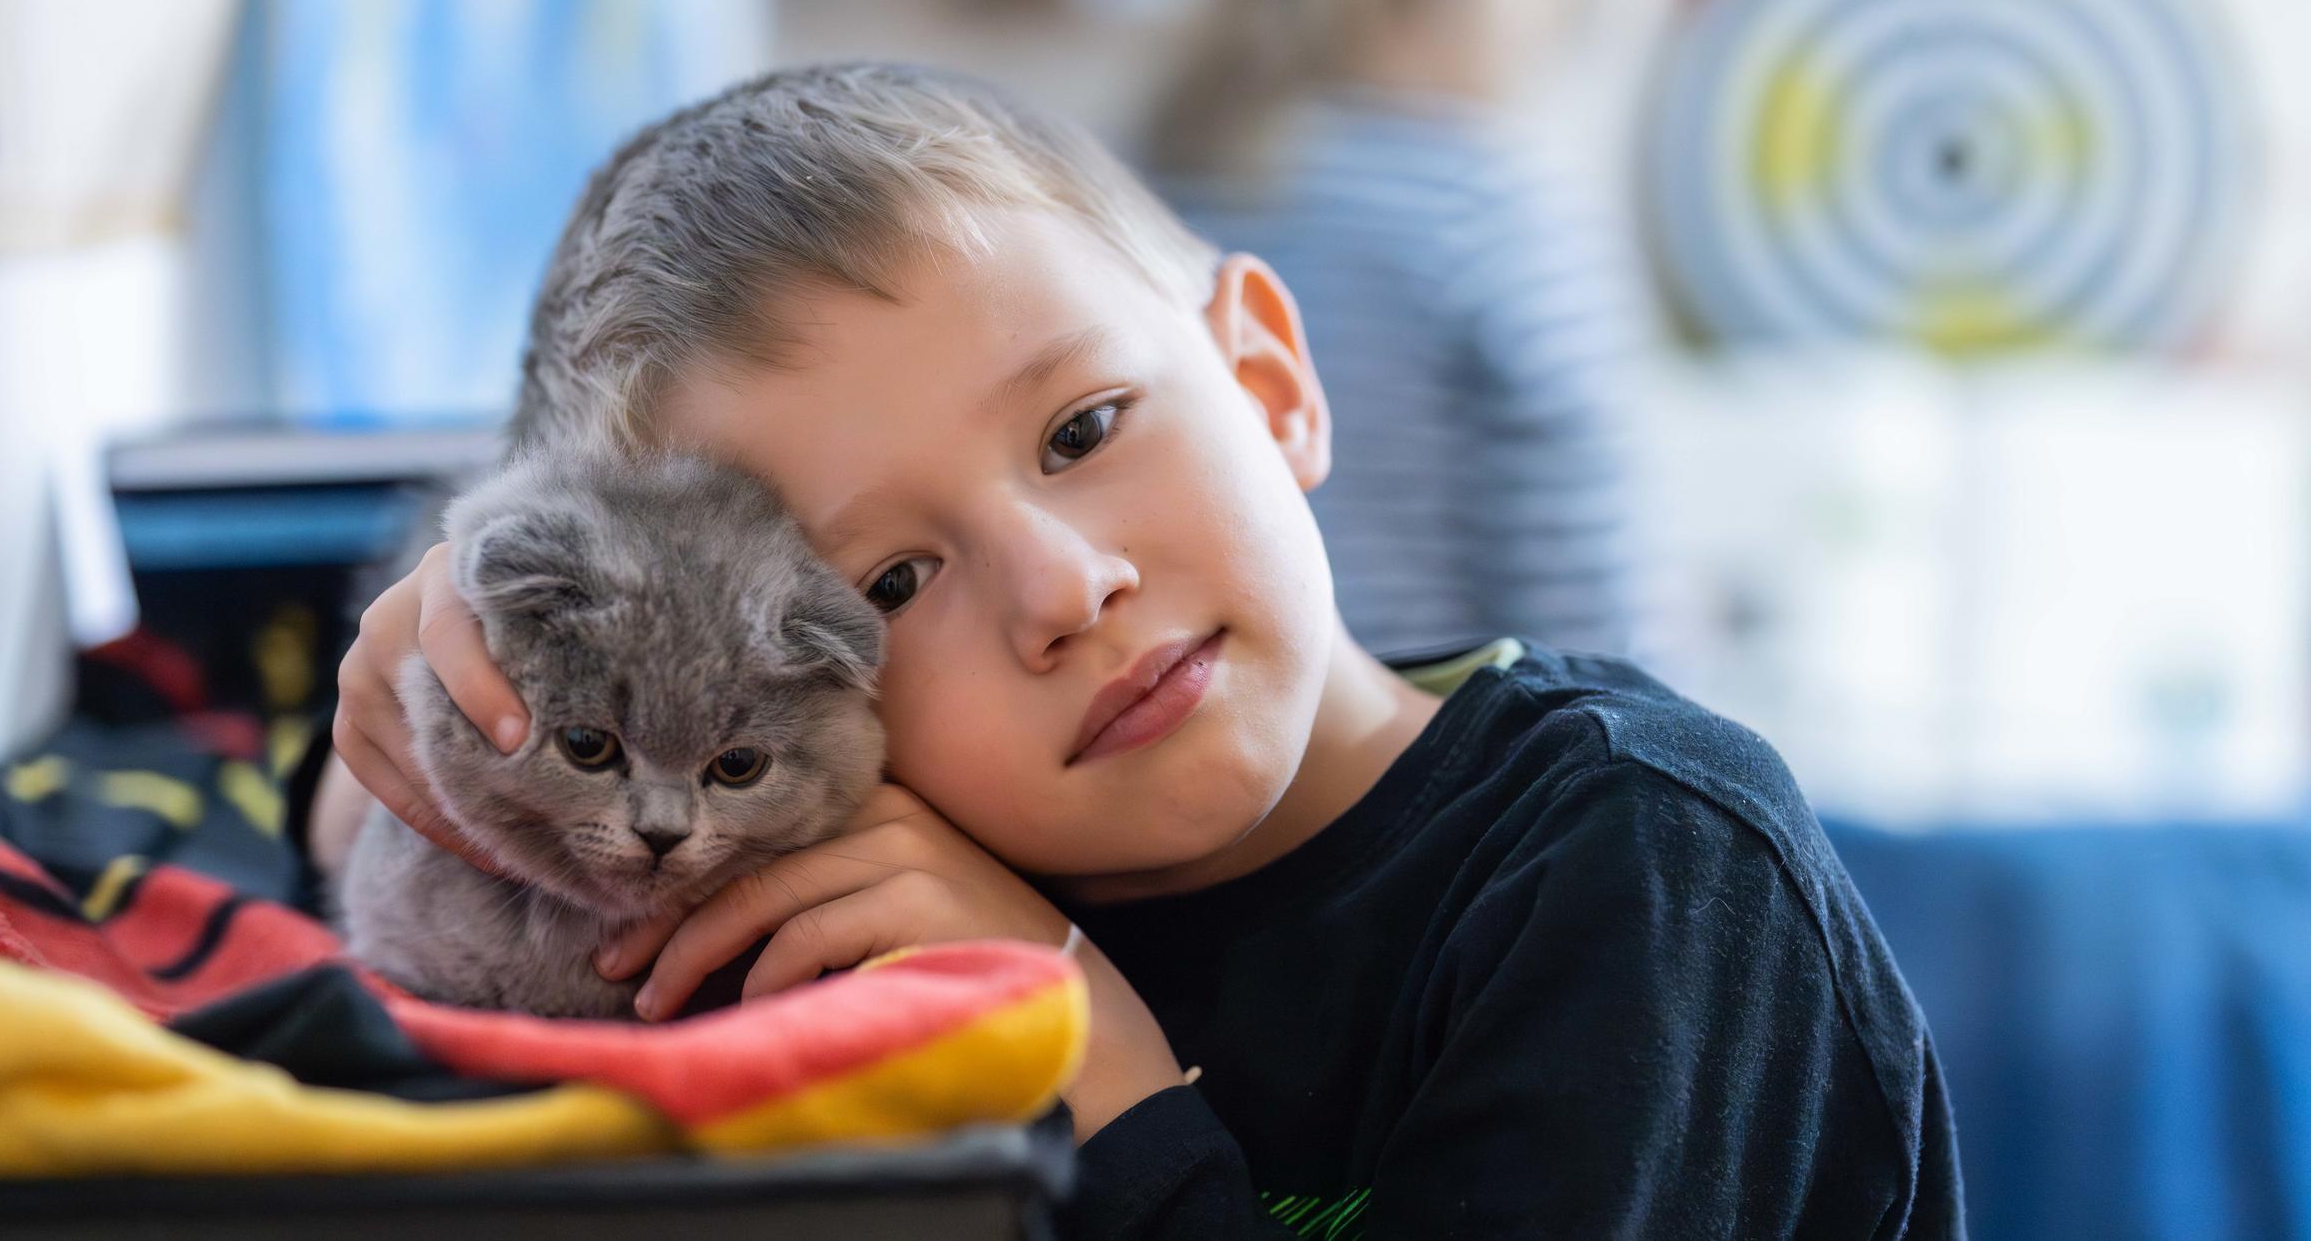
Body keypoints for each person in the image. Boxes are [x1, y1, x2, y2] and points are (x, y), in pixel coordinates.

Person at [298, 62, 1962, 1238]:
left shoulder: (1644, 864)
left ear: (1268, 382)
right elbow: (370, 876)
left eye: (1084, 427)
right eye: (890, 583)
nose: (1062, 586)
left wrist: (1101, 1075)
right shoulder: (859, 902)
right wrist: (438, 702)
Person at [1145, 0, 1650, 659]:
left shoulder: (1136, 184)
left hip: (1219, 716)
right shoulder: (1492, 212)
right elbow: (1601, 630)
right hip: (1445, 731)